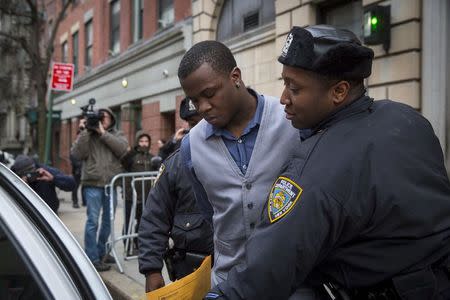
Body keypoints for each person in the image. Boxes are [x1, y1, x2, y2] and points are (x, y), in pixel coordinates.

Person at [205, 25, 450, 300]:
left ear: (339, 91)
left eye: (294, 88)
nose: (284, 98)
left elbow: (269, 268)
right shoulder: (408, 119)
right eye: (285, 83)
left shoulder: (315, 165)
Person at [177, 40, 302, 287]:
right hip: (228, 281)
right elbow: (209, 209)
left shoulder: (292, 122)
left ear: (235, 77)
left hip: (292, 278)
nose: (203, 107)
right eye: (194, 101)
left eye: (209, 94)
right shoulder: (191, 147)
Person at [138, 99, 213, 292]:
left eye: (205, 120)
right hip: (189, 272)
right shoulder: (175, 164)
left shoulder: (235, 155)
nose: (199, 128)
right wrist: (152, 270)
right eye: (193, 123)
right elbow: (154, 218)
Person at [71, 108, 128, 272]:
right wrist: (84, 131)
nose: (102, 120)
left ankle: (102, 252)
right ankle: (92, 257)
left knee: (108, 223)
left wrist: (103, 133)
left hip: (111, 184)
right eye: (100, 117)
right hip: (92, 184)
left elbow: (123, 149)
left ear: (112, 119)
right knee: (92, 222)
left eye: (105, 117)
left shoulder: (117, 134)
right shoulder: (87, 135)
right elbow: (77, 154)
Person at [121, 130, 158, 255]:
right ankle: (127, 247)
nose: (144, 144)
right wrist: (131, 151)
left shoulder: (152, 158)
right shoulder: (131, 156)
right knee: (129, 222)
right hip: (131, 195)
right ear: (137, 142)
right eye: (141, 141)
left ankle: (138, 245)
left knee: (142, 223)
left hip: (146, 196)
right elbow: (123, 163)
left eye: (146, 141)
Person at [11, 154, 76, 214]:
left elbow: (71, 184)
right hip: (28, 216)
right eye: (26, 174)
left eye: (31, 171)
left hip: (50, 214)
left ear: (35, 166)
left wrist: (54, 178)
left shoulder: (45, 172)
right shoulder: (14, 178)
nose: (30, 175)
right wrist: (20, 186)